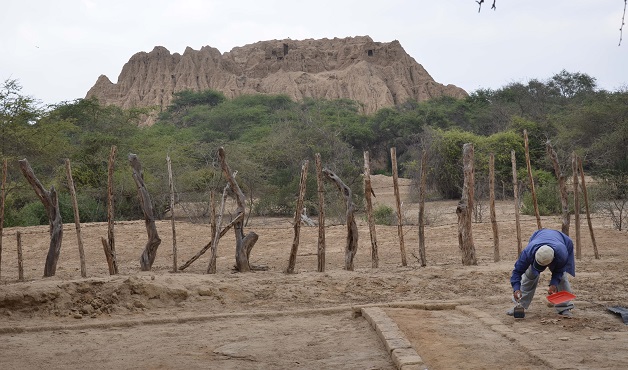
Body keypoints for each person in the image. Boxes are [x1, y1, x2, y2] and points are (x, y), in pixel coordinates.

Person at [508, 228, 576, 317]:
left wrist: (554, 284)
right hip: (539, 236)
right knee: (530, 274)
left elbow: (559, 271)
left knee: (562, 278)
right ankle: (520, 304)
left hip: (563, 242)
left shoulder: (561, 255)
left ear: (552, 261)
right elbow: (517, 272)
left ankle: (564, 307)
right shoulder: (528, 252)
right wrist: (516, 289)